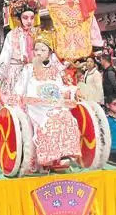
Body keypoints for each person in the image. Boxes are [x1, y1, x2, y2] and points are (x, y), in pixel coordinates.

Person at [13, 31, 81, 173]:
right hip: (35, 106)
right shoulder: (28, 69)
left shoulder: (55, 70)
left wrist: (74, 91)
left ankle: (63, 154)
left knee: (68, 118)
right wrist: (17, 104)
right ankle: (48, 157)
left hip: (55, 104)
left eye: (43, 50)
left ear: (50, 52)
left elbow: (62, 88)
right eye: (36, 49)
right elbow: (19, 88)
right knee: (49, 121)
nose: (38, 52)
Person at [0, 0, 39, 99]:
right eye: (25, 18)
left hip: (33, 73)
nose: (29, 21)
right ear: (19, 18)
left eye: (32, 18)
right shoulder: (12, 35)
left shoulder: (38, 34)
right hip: (15, 73)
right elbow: (5, 56)